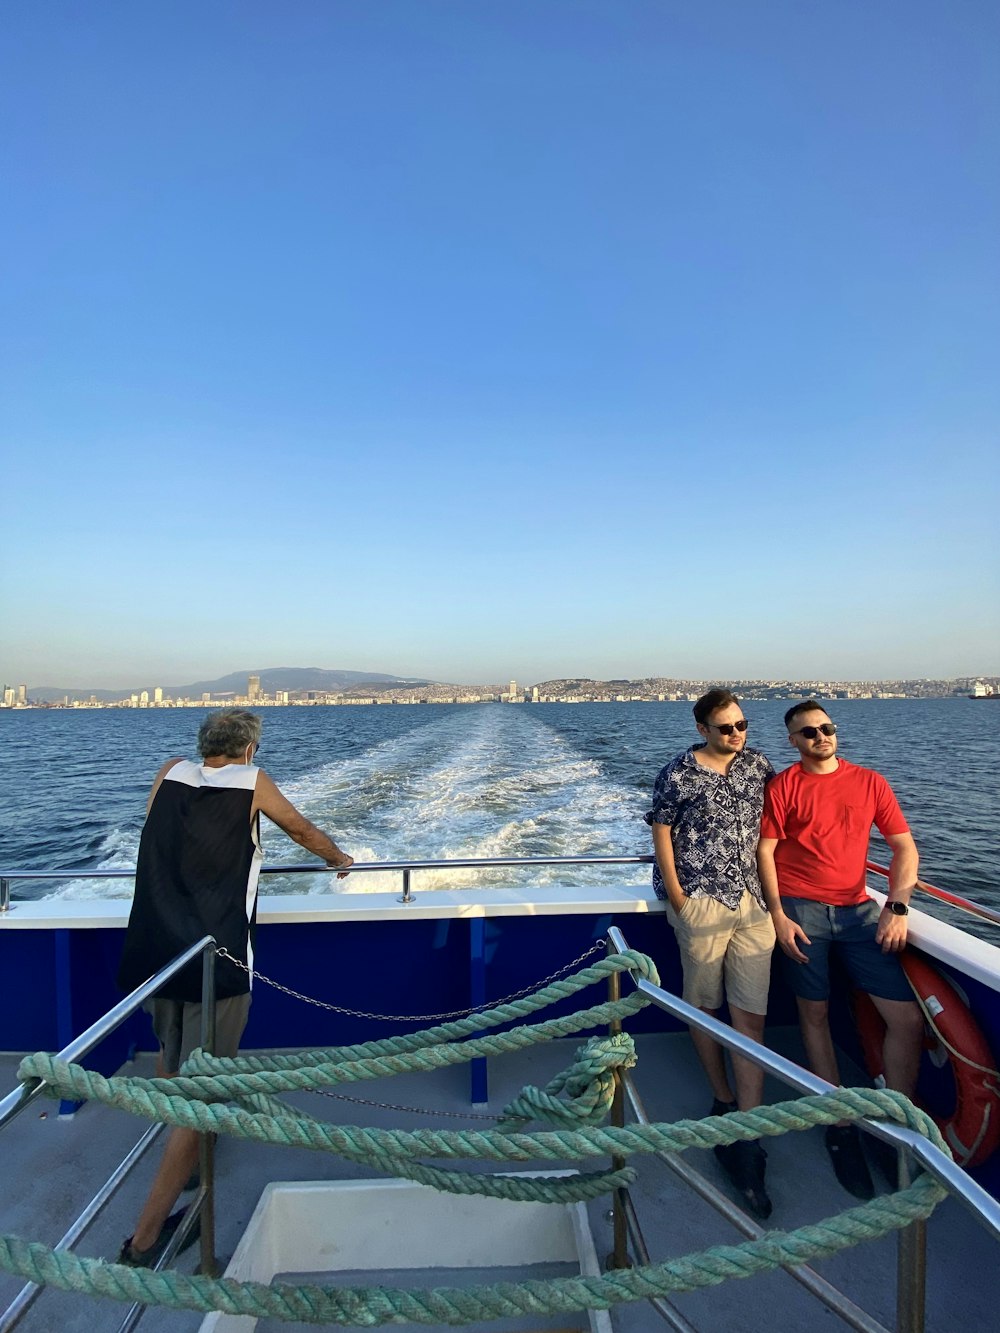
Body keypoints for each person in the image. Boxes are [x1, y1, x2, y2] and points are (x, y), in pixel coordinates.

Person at [116, 709, 354, 1267]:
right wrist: (338, 858)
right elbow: (301, 829)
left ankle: (191, 1155)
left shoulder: (169, 771)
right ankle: (146, 1240)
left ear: (205, 746)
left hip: (158, 949)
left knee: (171, 1058)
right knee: (203, 1091)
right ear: (248, 750)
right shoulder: (253, 780)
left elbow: (164, 834)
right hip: (215, 959)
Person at [757, 701, 923, 1200]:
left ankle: (896, 1124)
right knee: (816, 1014)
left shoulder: (870, 782)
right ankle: (841, 1126)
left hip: (859, 914)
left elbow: (904, 848)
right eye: (807, 733)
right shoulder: (784, 786)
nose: (820, 737)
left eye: (826, 728)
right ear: (793, 742)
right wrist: (778, 915)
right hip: (802, 914)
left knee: (907, 1021)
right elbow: (765, 851)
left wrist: (896, 905)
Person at [644, 688, 777, 1218]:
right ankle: (722, 1096)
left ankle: (749, 1122)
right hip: (700, 901)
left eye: (742, 725)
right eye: (726, 728)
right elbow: (662, 830)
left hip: (753, 902)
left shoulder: (758, 766)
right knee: (704, 1007)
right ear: (702, 729)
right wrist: (679, 898)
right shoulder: (678, 772)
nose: (737, 735)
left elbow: (782, 822)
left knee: (752, 1015)